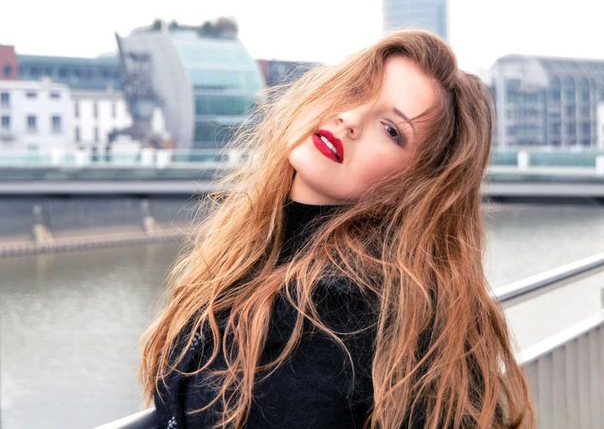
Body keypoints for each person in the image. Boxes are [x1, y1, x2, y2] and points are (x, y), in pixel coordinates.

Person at [139, 30, 535, 428]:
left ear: (415, 187)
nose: (351, 119)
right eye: (356, 90)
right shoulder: (243, 253)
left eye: (391, 130)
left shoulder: (374, 318)